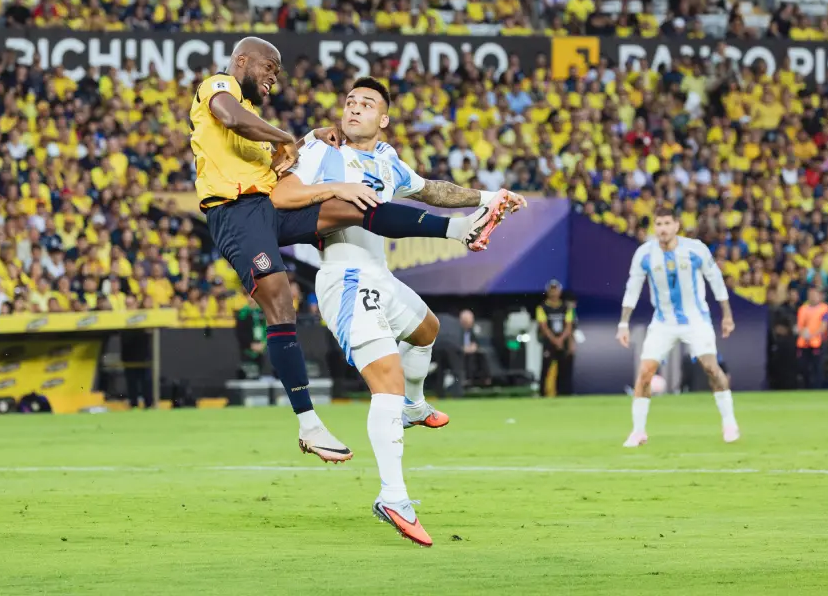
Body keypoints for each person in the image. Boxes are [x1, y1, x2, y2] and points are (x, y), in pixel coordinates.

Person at [190, 38, 510, 464]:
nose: (273, 78)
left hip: (267, 208)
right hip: (236, 211)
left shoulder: (366, 153)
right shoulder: (219, 87)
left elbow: (429, 188)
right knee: (280, 299)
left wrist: (302, 138)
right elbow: (232, 118)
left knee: (355, 205)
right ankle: (309, 424)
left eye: (278, 73)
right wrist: (291, 138)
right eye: (269, 68)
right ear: (242, 61)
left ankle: (459, 232)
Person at [271, 76, 524, 546]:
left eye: (366, 104)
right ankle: (393, 495)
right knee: (383, 380)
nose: (354, 108)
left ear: (383, 119)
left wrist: (489, 197)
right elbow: (281, 197)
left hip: (381, 275)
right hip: (345, 276)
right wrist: (332, 188)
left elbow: (430, 190)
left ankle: (412, 405)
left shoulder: (386, 160)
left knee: (427, 329)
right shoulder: (323, 153)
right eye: (350, 102)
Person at [617, 206, 739, 447]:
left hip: (696, 320)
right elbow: (632, 289)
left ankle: (729, 423)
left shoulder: (695, 250)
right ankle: (638, 431)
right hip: (663, 322)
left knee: (712, 369)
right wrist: (623, 323)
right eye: (658, 224)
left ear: (676, 226)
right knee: (644, 373)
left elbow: (716, 280)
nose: (662, 229)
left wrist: (727, 315)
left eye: (666, 224)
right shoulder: (644, 254)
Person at [536, 280, 576, 397]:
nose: (554, 293)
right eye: (551, 290)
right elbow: (543, 326)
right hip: (549, 342)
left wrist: (561, 339)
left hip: (562, 342)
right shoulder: (542, 308)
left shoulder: (566, 308)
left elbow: (569, 326)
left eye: (556, 290)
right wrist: (554, 340)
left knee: (564, 369)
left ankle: (563, 394)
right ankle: (543, 394)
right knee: (546, 369)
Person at [795, 287, 828, 389]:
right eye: (810, 294)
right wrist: (803, 333)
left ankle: (817, 388)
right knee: (803, 367)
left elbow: (823, 326)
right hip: (803, 343)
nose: (812, 297)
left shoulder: (824, 309)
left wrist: (811, 335)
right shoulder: (802, 309)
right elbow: (799, 325)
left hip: (817, 343)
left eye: (814, 294)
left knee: (817, 368)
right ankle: (805, 387)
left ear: (819, 296)